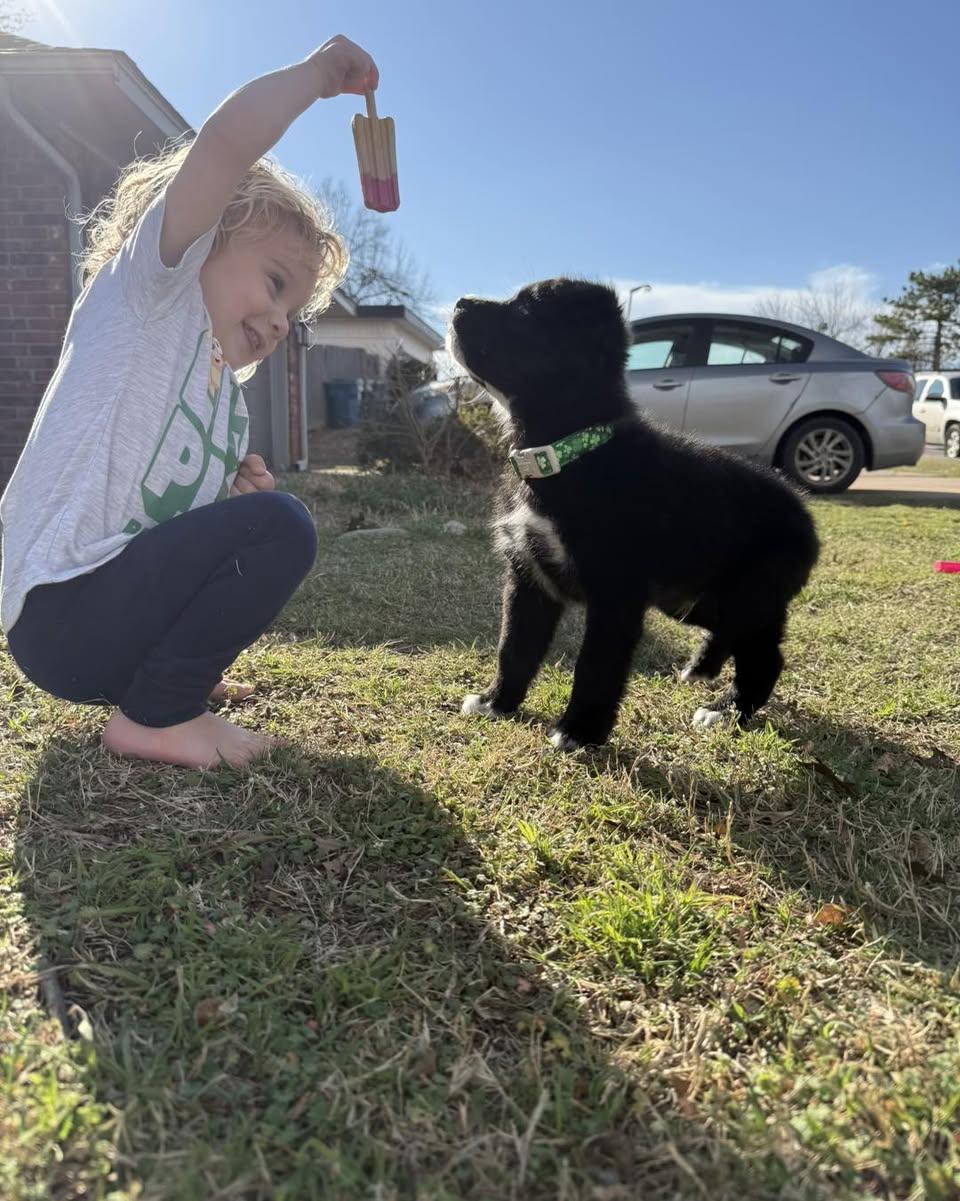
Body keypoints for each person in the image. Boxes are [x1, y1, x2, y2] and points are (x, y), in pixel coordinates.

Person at [0, 34, 379, 770]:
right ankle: (158, 717)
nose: (278, 321)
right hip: (59, 607)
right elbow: (225, 147)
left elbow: (161, 531)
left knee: (263, 518)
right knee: (285, 527)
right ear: (206, 239)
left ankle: (164, 687)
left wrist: (226, 507)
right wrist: (313, 77)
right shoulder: (153, 291)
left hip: (101, 636)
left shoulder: (223, 406)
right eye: (274, 283)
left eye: (292, 314)